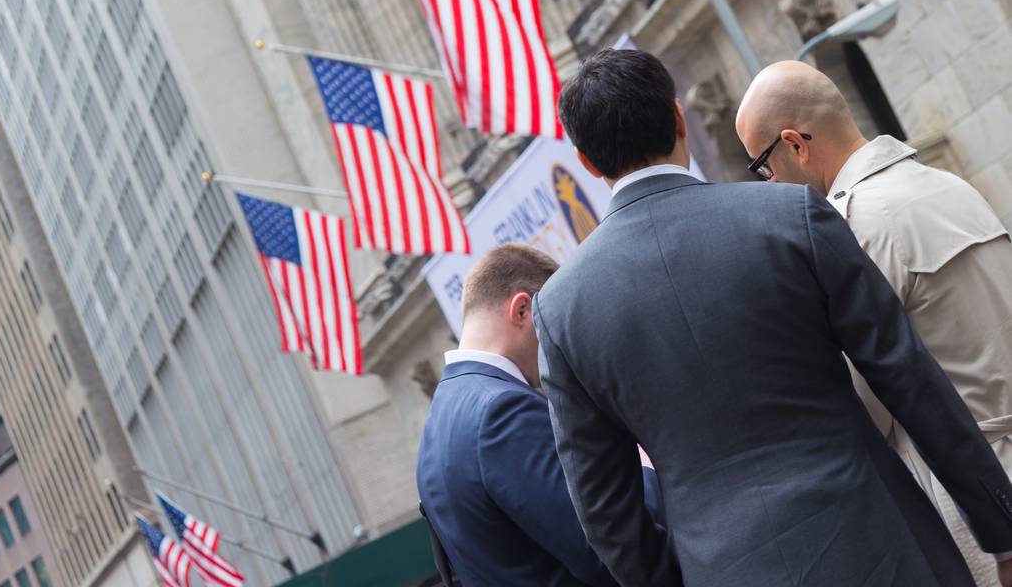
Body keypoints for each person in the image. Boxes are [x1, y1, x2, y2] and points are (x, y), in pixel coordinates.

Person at [534, 45, 1012, 587]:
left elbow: (604, 509)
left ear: (588, 163)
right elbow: (911, 380)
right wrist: (1000, 529)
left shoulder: (560, 310)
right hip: (884, 546)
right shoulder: (793, 217)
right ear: (677, 118)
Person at [736, 59, 1012, 585]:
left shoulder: (852, 228)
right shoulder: (941, 182)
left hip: (979, 489)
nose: (768, 185)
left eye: (761, 166)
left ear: (795, 144)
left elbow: (867, 405)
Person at [416, 242, 673, 587]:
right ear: (521, 310)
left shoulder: (440, 421)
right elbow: (606, 550)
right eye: (552, 319)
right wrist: (643, 462)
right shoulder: (502, 411)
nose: (560, 339)